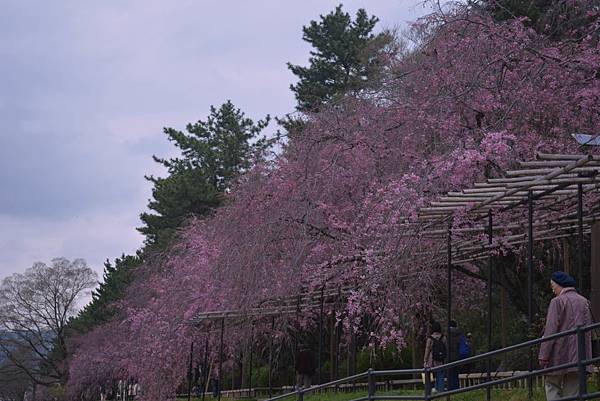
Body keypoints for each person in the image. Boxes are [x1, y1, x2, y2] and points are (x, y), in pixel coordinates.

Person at [539, 271, 593, 401]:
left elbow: (550, 330)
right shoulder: (584, 301)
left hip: (559, 355)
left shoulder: (557, 302)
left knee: (552, 385)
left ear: (559, 285)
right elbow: (588, 330)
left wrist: (543, 355)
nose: (553, 290)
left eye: (553, 286)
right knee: (573, 391)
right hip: (580, 356)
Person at [423, 321, 446, 393]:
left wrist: (425, 360)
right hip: (441, 359)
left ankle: (430, 390)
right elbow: (446, 348)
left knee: (430, 375)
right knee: (440, 375)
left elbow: (427, 350)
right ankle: (440, 390)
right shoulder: (443, 337)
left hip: (432, 360)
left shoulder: (430, 338)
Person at [447, 320, 465, 390]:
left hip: (449, 357)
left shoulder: (448, 334)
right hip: (458, 357)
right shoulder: (459, 334)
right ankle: (456, 388)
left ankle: (451, 389)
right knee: (455, 374)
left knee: (450, 374)